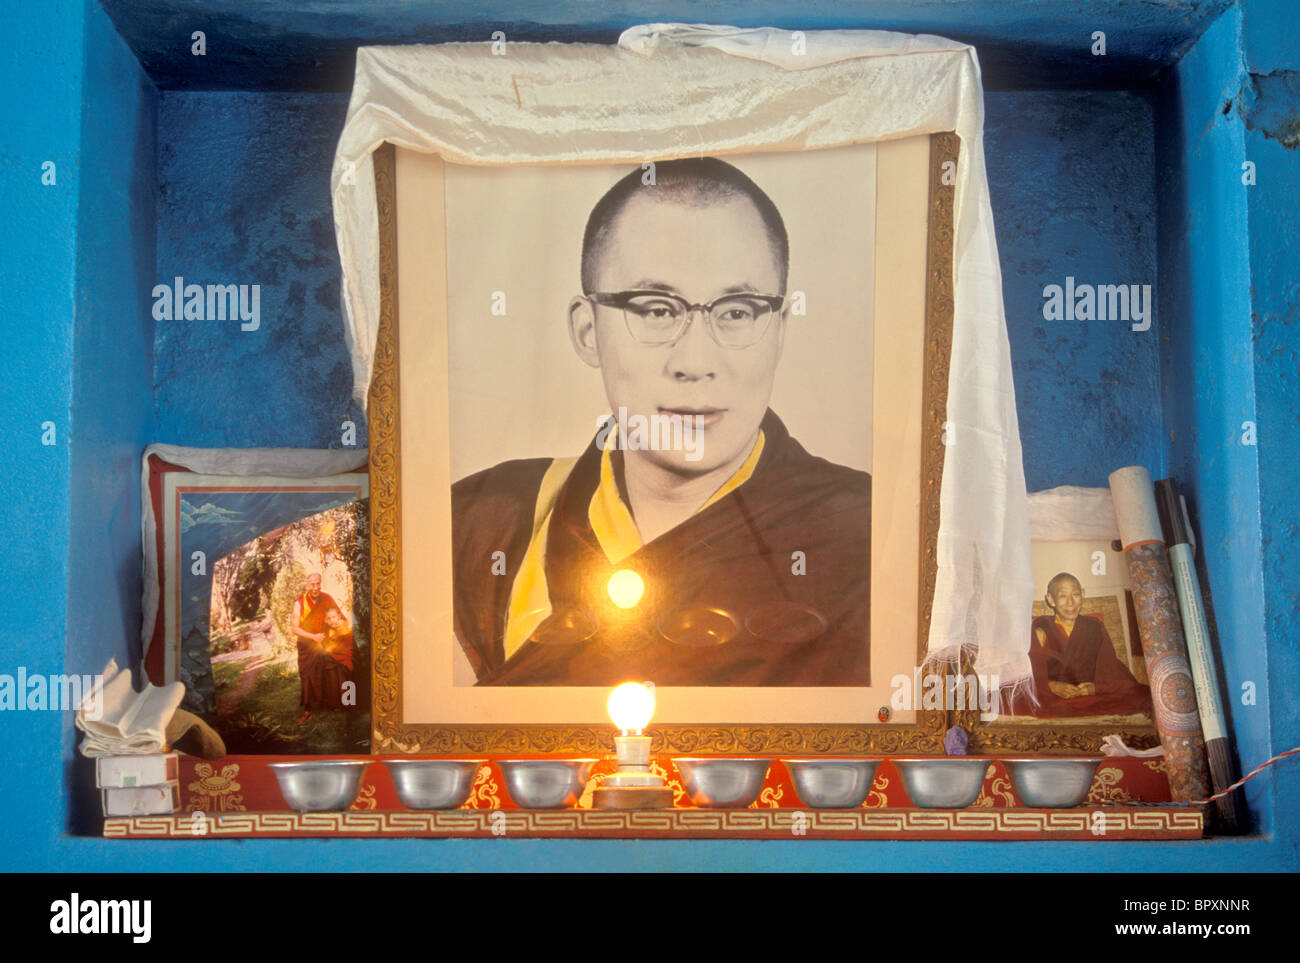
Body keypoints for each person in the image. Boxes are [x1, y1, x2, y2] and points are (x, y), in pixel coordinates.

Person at [452, 157, 871, 686]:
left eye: (737, 311)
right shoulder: (484, 519)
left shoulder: (863, 536)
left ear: (780, 331)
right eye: (655, 310)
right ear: (587, 331)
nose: (695, 362)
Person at [1023, 572, 1149, 718]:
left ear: (1082, 595)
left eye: (1075, 594)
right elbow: (1030, 672)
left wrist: (1096, 688)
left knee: (1139, 695)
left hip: (1089, 696)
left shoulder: (1095, 627)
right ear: (1051, 599)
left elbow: (1109, 667)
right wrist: (1051, 686)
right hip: (1052, 697)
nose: (1070, 603)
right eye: (1063, 596)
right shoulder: (1040, 628)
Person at [290, 573, 352, 721]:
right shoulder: (300, 603)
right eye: (312, 584)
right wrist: (313, 637)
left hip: (324, 642)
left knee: (328, 670)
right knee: (307, 675)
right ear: (307, 585)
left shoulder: (326, 598)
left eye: (318, 584)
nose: (316, 587)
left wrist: (336, 631)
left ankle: (332, 702)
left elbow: (340, 618)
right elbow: (294, 628)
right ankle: (308, 709)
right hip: (307, 644)